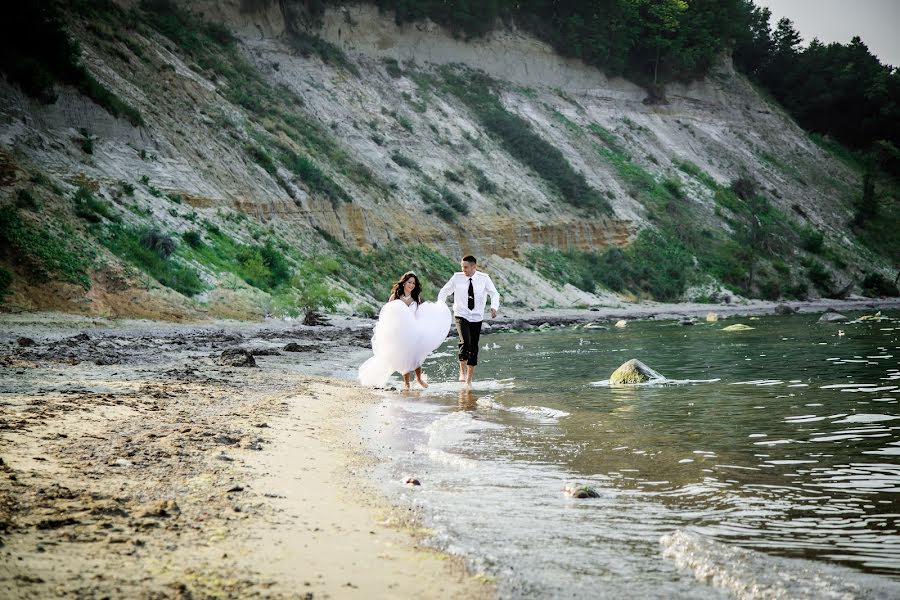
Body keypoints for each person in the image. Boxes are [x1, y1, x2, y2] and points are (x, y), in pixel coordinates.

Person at [358, 272, 452, 390]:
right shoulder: (395, 297)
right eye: (409, 282)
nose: (412, 285)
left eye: (413, 283)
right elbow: (388, 314)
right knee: (404, 355)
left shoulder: (416, 297)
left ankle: (418, 379)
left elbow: (418, 314)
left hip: (414, 330)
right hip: (400, 331)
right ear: (404, 283)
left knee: (416, 355)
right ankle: (406, 383)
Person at [438, 255, 500, 385]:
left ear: (474, 267)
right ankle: (462, 371)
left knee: (473, 346)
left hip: (477, 316)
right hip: (461, 314)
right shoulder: (457, 277)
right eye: (462, 266)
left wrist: (494, 307)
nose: (463, 269)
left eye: (465, 267)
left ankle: (469, 380)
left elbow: (494, 293)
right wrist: (440, 305)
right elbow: (445, 290)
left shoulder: (484, 278)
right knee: (465, 342)